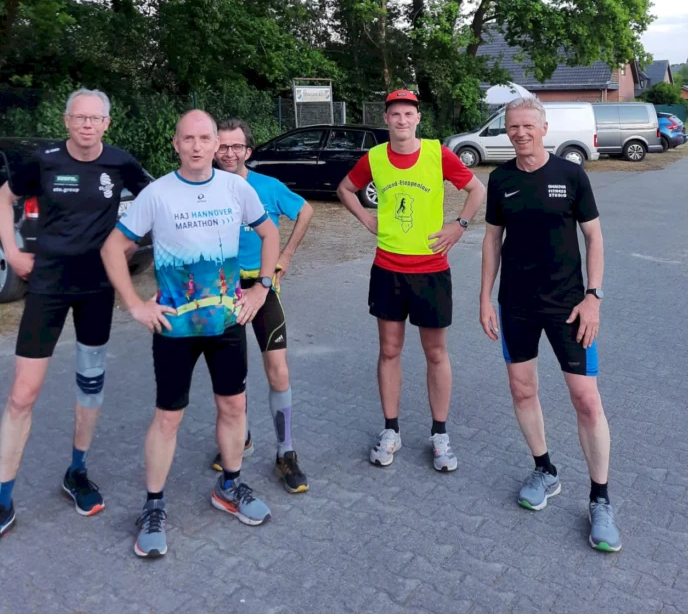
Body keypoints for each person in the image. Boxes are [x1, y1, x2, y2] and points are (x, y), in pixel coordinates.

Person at [0, 89, 149, 563]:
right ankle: (1, 504)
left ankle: (76, 472)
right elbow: (3, 202)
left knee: (90, 385)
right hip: (46, 286)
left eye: (95, 118)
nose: (87, 125)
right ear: (67, 120)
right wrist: (12, 249)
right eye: (79, 117)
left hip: (97, 290)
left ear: (107, 122)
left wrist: (129, 248)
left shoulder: (122, 163)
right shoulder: (40, 162)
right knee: (23, 393)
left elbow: (159, 204)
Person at [100, 110, 280, 559]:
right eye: (189, 139)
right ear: (176, 144)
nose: (198, 146)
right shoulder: (157, 193)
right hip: (175, 328)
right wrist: (135, 305)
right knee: (169, 417)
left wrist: (261, 289)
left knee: (234, 405)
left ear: (217, 144)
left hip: (227, 323)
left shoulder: (237, 188)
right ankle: (154, 506)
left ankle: (230, 486)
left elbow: (270, 230)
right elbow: (113, 248)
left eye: (206, 138)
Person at [480, 95, 621, 552]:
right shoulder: (499, 179)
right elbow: (491, 241)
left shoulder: (570, 174)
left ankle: (600, 500)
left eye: (527, 126)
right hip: (516, 304)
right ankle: (545, 469)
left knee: (585, 399)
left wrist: (593, 297)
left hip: (569, 307)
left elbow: (594, 236)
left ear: (543, 128)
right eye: (512, 127)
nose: (520, 133)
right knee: (523, 390)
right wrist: (485, 296)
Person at [336, 89, 486, 470]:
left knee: (436, 352)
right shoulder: (374, 158)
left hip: (431, 271)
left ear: (418, 118)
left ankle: (440, 435)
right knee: (389, 350)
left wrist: (459, 225)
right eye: (395, 115)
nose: (402, 121)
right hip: (388, 268)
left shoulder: (438, 154)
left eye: (408, 114)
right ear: (386, 119)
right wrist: (365, 218)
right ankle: (391, 430)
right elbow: (345, 189)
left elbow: (476, 189)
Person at [211, 118, 314, 493]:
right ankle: (241, 438)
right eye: (221, 146)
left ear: (248, 152)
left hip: (263, 286)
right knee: (228, 376)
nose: (228, 153)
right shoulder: (203, 189)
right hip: (221, 291)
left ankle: (285, 453)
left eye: (236, 146)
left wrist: (285, 254)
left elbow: (305, 211)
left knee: (278, 372)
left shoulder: (267, 186)